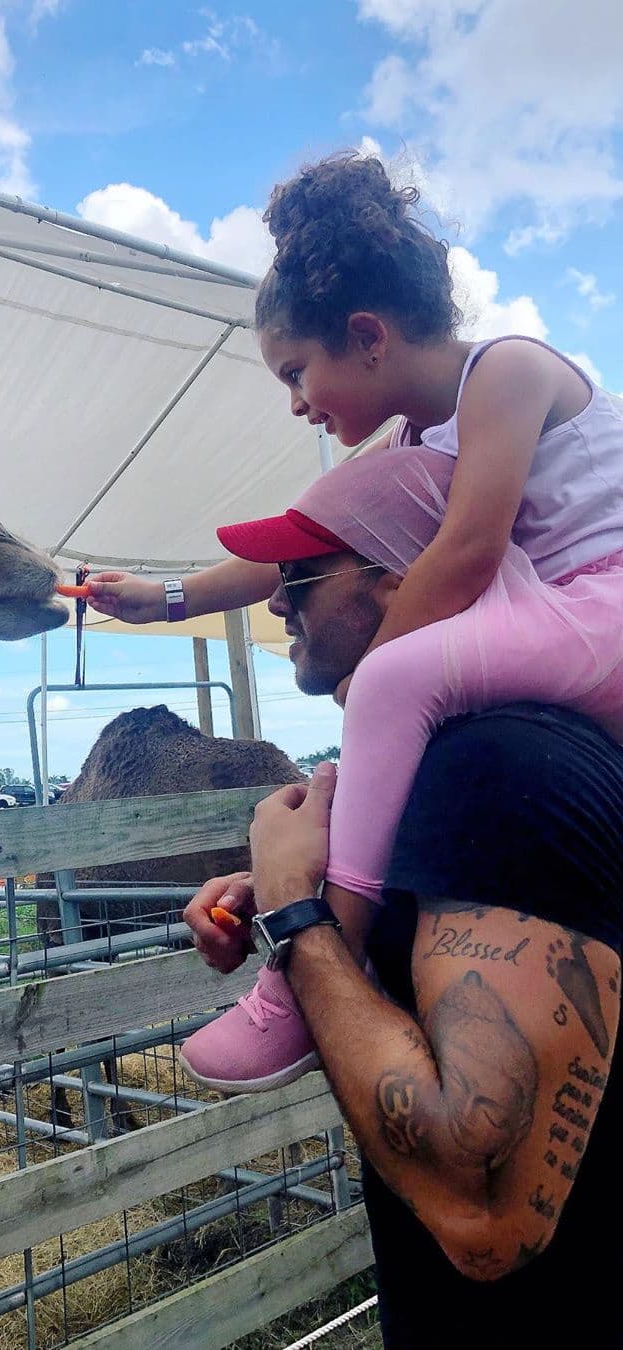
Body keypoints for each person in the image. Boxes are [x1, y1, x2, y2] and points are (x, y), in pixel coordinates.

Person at [88, 151, 623, 1091]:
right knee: (385, 737)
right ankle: (314, 906)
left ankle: (307, 967)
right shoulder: (417, 442)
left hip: (604, 599)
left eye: (297, 372)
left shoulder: (508, 372)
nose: (298, 404)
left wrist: (368, 676)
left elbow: (465, 554)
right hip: (551, 616)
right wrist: (167, 597)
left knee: (396, 691)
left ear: (369, 334)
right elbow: (305, 546)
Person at [180, 564, 622, 1341]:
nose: (276, 600)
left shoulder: (494, 766)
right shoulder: (492, 755)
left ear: (393, 577)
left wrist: (295, 912)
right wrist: (300, 888)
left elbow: (483, 1212)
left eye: (301, 573)